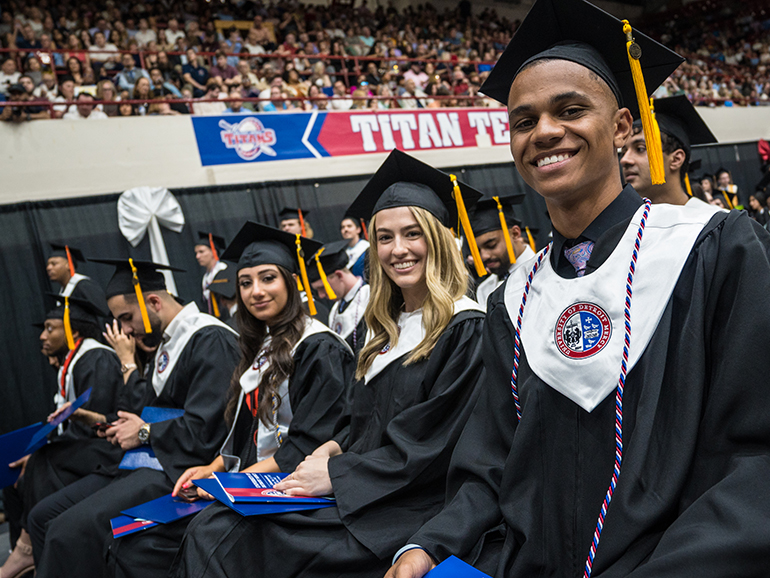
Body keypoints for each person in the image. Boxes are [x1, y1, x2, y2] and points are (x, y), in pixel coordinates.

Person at [387, 0, 770, 576]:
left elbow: (755, 457)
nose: (544, 132)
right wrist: (430, 543)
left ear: (621, 126)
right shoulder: (513, 299)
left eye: (570, 110)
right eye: (524, 120)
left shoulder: (713, 250)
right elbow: (492, 458)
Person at [169, 149, 486, 578]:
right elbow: (362, 422)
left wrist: (337, 472)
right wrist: (331, 448)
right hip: (366, 489)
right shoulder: (387, 331)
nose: (398, 250)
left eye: (412, 234)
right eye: (385, 238)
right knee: (214, 526)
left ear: (438, 238)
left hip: (408, 506)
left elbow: (432, 447)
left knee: (223, 538)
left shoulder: (465, 328)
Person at [99, 223, 355, 578]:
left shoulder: (318, 348)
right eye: (246, 282)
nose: (256, 291)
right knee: (135, 538)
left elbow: (307, 444)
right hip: (251, 481)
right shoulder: (263, 347)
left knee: (199, 538)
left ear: (292, 282)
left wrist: (231, 483)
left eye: (268, 278)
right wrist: (213, 469)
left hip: (294, 489)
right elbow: (245, 429)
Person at [28, 259, 240, 578]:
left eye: (126, 318)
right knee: (43, 516)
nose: (125, 330)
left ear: (153, 301)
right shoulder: (169, 343)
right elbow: (149, 411)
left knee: (67, 532)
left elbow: (205, 431)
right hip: (145, 460)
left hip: (179, 467)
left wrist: (143, 433)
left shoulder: (210, 339)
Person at [1, 295, 123, 578]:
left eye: (50, 328)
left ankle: (28, 549)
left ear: (73, 330)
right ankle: (24, 549)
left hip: (108, 446)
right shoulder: (74, 361)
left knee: (40, 461)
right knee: (19, 469)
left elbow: (97, 419)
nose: (43, 336)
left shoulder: (96, 357)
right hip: (88, 444)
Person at [620, 95, 718, 207]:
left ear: (676, 159)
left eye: (640, 149)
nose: (624, 160)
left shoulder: (717, 221)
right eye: (624, 152)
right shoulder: (625, 223)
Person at [470, 193, 536, 310]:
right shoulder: (485, 289)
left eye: (491, 245)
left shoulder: (545, 271)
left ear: (515, 234)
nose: (483, 256)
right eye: (478, 250)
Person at [307, 240, 370, 355]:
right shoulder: (335, 311)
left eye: (322, 288)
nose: (321, 295)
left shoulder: (371, 297)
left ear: (339, 275)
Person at [195, 232, 228, 318]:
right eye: (196, 253)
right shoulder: (206, 277)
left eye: (201, 252)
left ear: (213, 251)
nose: (197, 256)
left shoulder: (223, 270)